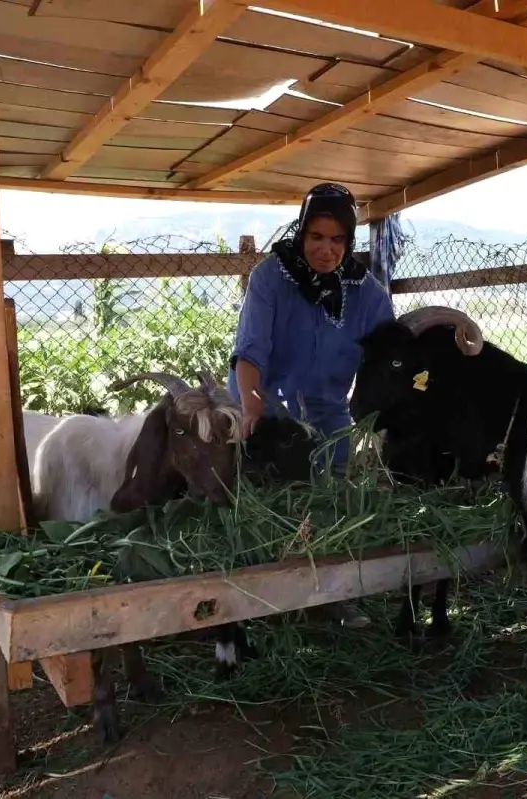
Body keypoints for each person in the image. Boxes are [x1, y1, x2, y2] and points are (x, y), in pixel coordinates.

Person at [226, 182, 395, 628]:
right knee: (271, 495)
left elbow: (386, 361)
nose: (326, 249)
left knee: (337, 502)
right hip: (268, 404)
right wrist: (251, 411)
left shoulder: (367, 294)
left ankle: (334, 596)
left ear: (349, 241)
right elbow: (250, 355)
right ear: (301, 235)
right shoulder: (270, 278)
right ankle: (259, 597)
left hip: (327, 412)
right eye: (316, 237)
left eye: (337, 239)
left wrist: (376, 418)